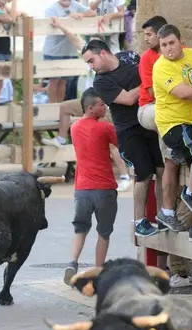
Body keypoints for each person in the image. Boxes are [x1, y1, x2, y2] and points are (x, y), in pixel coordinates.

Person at [82, 39, 163, 237]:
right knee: (143, 174)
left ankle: (163, 215)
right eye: (88, 64)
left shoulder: (130, 57)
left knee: (162, 170)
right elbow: (127, 99)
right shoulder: (100, 81)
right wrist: (148, 81)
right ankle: (139, 220)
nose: (91, 67)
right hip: (129, 130)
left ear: (103, 53)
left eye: (91, 61)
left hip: (151, 122)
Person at [152, 24, 192, 241]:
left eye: (171, 43)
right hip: (173, 125)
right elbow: (184, 93)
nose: (168, 49)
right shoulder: (160, 66)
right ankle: (181, 203)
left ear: (180, 41)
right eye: (163, 45)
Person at [63, 89, 122, 284]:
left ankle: (72, 263)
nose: (104, 107)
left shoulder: (74, 127)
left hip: (82, 189)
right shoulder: (105, 128)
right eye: (101, 105)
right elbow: (121, 143)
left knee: (80, 229)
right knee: (104, 233)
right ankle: (98, 271)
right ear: (90, 108)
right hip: (104, 188)